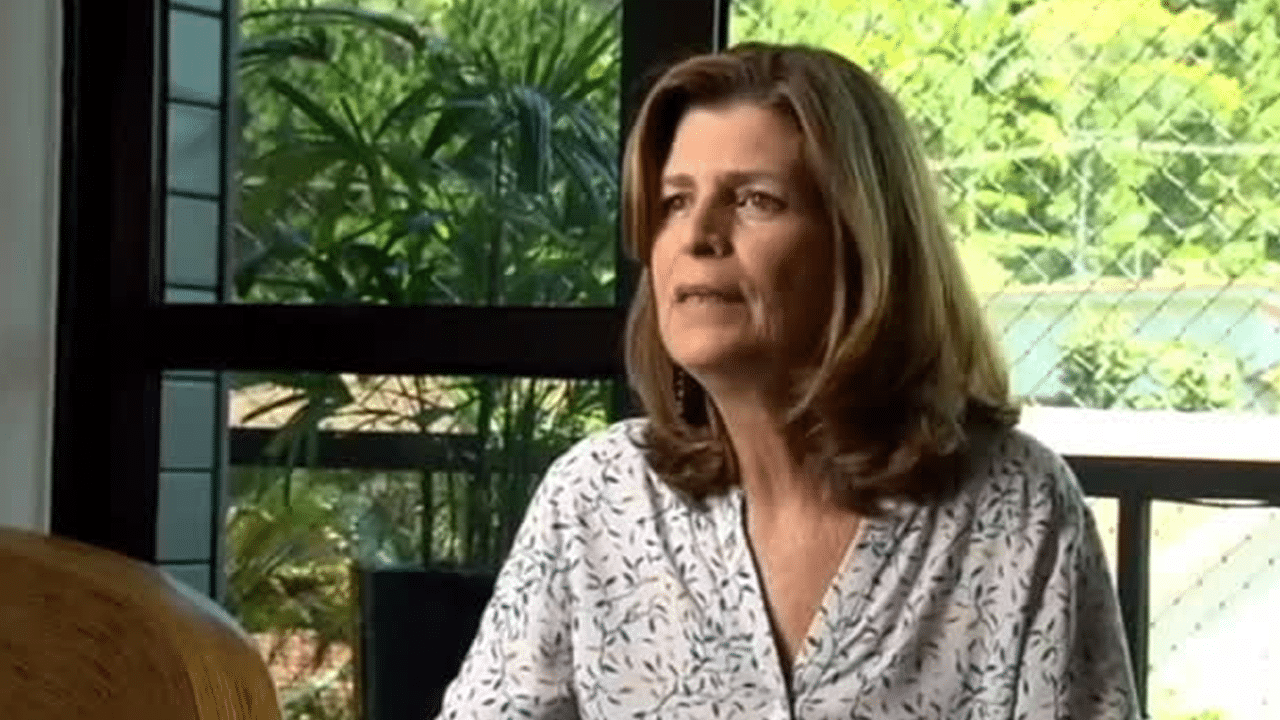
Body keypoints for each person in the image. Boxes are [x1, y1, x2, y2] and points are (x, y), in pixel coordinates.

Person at [436, 42, 1138, 719]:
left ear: (863, 243)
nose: (697, 235)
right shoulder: (595, 497)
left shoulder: (1016, 506)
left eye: (755, 200)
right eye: (675, 201)